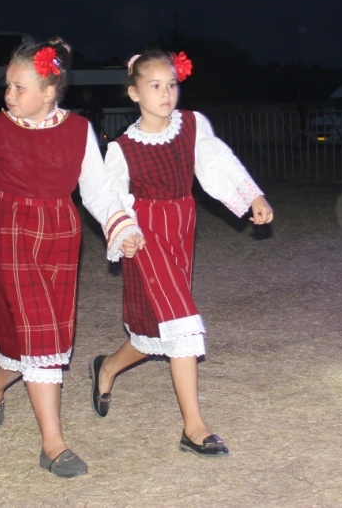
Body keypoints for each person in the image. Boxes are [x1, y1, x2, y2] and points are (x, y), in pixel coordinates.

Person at [0, 37, 145, 479]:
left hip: (61, 230)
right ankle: (53, 445)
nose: (9, 96)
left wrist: (122, 227)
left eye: (19, 88)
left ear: (49, 92)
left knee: (47, 335)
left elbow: (97, 190)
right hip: (10, 229)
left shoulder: (79, 130)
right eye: (8, 86)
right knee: (39, 332)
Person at [95, 49, 274, 458]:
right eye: (155, 86)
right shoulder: (122, 148)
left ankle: (107, 366)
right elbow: (113, 198)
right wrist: (124, 232)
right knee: (183, 324)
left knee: (160, 332)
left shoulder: (193, 125)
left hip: (181, 229)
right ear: (133, 92)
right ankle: (194, 427)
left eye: (171, 85)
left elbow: (218, 165)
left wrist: (253, 197)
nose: (166, 93)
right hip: (144, 235)